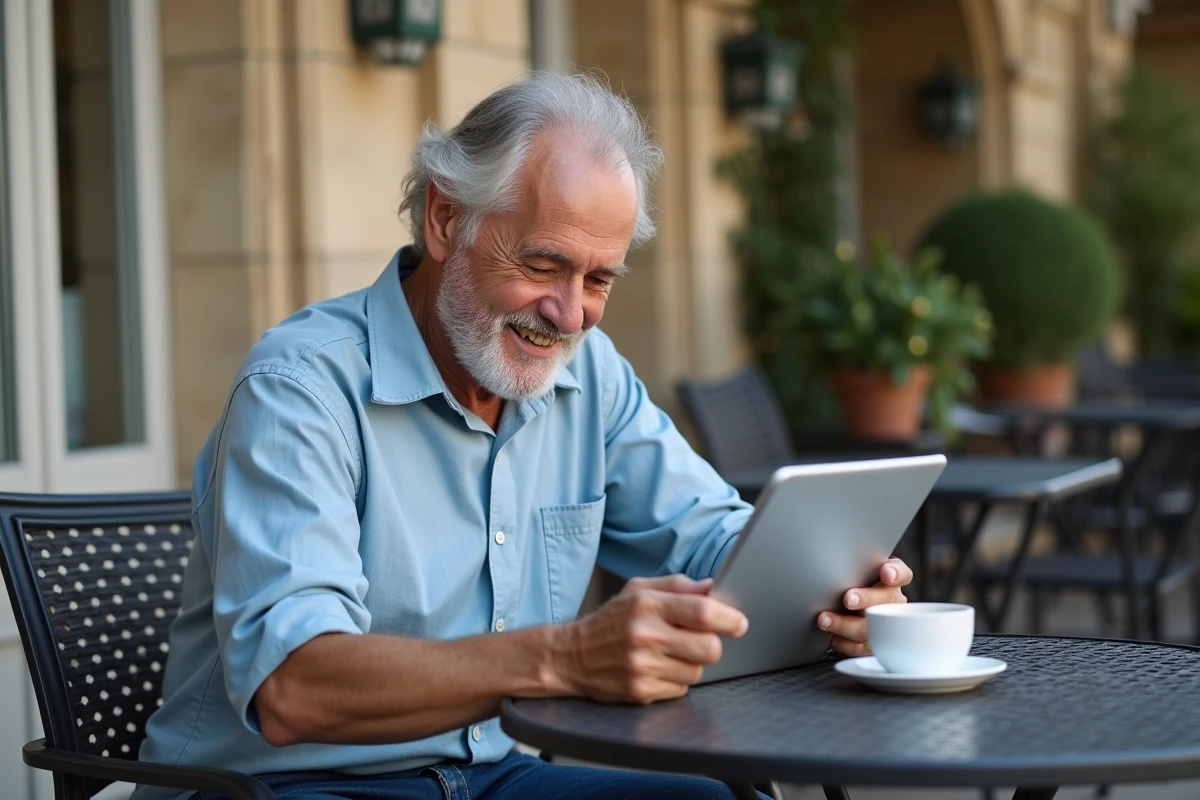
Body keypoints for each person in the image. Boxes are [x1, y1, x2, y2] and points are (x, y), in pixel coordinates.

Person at [134, 72, 911, 800]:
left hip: (491, 774)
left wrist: (831, 591)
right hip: (283, 786)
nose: (570, 315)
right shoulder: (300, 388)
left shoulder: (590, 374)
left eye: (598, 280)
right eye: (543, 265)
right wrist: (567, 657)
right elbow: (294, 687)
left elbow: (714, 539)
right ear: (446, 219)